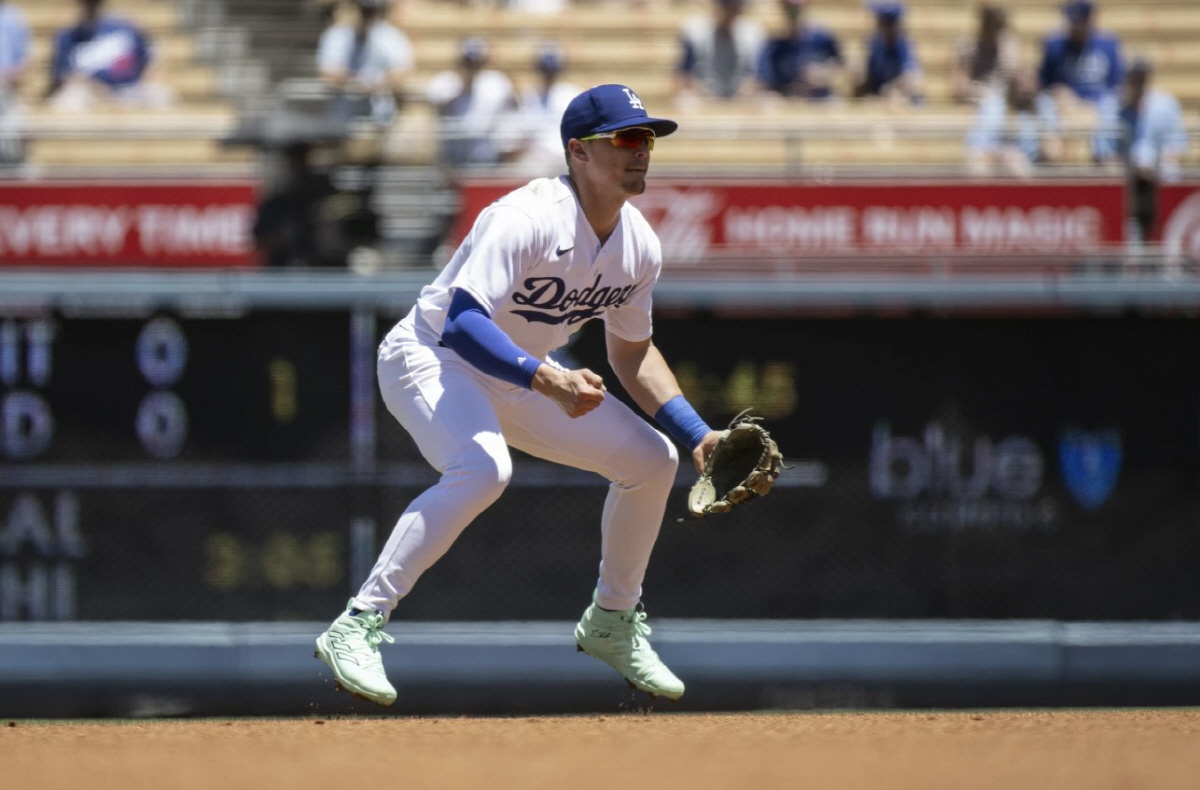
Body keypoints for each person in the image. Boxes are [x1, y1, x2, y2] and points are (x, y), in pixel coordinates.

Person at [314, 83, 723, 706]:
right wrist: (546, 378)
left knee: (653, 461)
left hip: (523, 372)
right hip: (429, 356)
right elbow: (461, 323)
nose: (641, 151)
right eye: (626, 138)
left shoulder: (640, 245)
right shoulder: (524, 217)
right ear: (578, 152)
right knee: (483, 469)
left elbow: (632, 353)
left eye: (647, 139)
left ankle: (613, 619)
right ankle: (358, 623)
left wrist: (697, 434)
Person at [1095, 58, 1188, 245]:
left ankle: (1165, 242)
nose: (1139, 80)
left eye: (1143, 76)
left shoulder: (1166, 104)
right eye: (1135, 76)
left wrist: (1152, 166)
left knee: (1171, 174)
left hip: (1158, 171)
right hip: (1124, 173)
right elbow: (1103, 151)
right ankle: (1122, 244)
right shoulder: (1111, 106)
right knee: (1113, 179)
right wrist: (1131, 168)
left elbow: (1177, 146)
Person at [47, 0, 173, 111]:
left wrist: (139, 86)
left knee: (161, 96)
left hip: (129, 91)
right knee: (69, 102)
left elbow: (152, 60)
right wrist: (99, 92)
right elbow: (66, 75)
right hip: (89, 93)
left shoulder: (126, 26)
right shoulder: (69, 33)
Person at [316, 0, 414, 127]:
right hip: (344, 113)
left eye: (370, 11)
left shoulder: (391, 36)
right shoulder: (337, 35)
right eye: (363, 10)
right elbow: (328, 75)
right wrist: (356, 84)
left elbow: (401, 75)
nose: (366, 15)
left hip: (380, 111)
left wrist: (373, 85)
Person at [426, 36, 517, 167]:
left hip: (484, 149)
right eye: (468, 62)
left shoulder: (496, 81)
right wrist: (465, 85)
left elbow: (515, 106)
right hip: (453, 149)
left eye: (477, 63)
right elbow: (439, 105)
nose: (472, 67)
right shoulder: (445, 81)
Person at [966, 69, 1063, 179]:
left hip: (1034, 165)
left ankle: (1031, 193)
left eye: (1031, 82)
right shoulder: (995, 105)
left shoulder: (1043, 104)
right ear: (1012, 84)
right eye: (1021, 83)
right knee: (981, 165)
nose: (1026, 88)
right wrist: (1003, 155)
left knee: (1017, 161)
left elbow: (1053, 151)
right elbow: (978, 145)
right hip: (998, 163)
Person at [1037, 0, 1123, 112]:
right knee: (1045, 104)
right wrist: (1058, 91)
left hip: (1099, 103)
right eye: (1073, 20)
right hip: (1065, 105)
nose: (1076, 26)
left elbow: (1116, 83)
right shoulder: (1054, 46)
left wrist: (1090, 104)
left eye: (1081, 21)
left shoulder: (1107, 44)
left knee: (1111, 105)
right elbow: (1046, 82)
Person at [510, 42, 581, 174]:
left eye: (552, 70)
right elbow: (521, 133)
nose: (548, 74)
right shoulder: (528, 96)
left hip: (565, 157)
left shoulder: (572, 94)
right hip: (537, 158)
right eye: (545, 70)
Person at [676, 0, 765, 103]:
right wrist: (697, 90)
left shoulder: (753, 32)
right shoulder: (694, 30)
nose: (729, 12)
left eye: (734, 7)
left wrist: (749, 90)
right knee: (685, 101)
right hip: (702, 95)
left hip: (742, 95)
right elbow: (684, 74)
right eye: (725, 6)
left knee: (768, 103)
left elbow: (759, 77)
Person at [757, 0, 843, 100]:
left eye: (797, 7)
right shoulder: (774, 46)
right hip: (789, 101)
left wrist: (825, 75)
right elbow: (765, 82)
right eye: (789, 7)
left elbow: (843, 74)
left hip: (821, 99)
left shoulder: (822, 38)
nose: (793, 11)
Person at [950, 4, 1022, 105]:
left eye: (999, 27)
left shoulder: (1009, 46)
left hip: (1001, 97)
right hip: (976, 96)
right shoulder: (969, 45)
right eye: (992, 25)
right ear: (984, 25)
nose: (996, 31)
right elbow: (960, 79)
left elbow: (1013, 77)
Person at [853, 2, 922, 104]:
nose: (883, 27)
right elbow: (864, 74)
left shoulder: (903, 43)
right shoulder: (873, 43)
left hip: (899, 94)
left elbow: (912, 76)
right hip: (877, 95)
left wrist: (894, 87)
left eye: (887, 24)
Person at [0, 0, 30, 164]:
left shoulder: (14, 16)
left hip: (10, 90)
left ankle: (16, 166)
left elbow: (24, 60)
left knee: (14, 121)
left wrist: (8, 76)